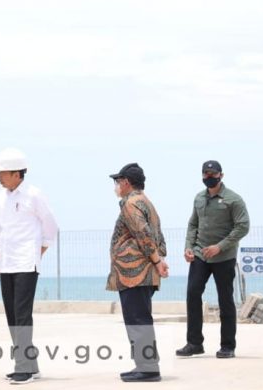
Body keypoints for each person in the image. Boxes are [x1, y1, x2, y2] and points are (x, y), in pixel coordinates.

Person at [0, 147, 58, 385]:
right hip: (6, 262)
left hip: (26, 263)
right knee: (11, 315)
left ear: (17, 174)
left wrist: (38, 253)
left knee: (22, 315)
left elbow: (51, 227)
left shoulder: (34, 195)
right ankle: (31, 364)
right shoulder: (1, 196)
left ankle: (23, 367)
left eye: (2, 172)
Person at [177, 160, 250, 359]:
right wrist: (188, 247)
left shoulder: (233, 200)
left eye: (213, 174)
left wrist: (219, 247)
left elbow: (243, 226)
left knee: (225, 299)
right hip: (200, 254)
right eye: (206, 174)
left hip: (223, 256)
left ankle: (227, 346)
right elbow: (193, 225)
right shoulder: (199, 198)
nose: (209, 177)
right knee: (193, 293)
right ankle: (194, 343)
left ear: (221, 175)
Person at [107, 163, 169, 382]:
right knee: (140, 318)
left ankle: (148, 368)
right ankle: (145, 365)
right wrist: (159, 260)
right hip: (142, 272)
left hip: (134, 272)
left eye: (118, 181)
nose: (116, 186)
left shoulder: (131, 204)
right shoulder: (145, 202)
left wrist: (157, 261)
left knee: (137, 320)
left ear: (126, 182)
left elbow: (144, 235)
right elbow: (158, 236)